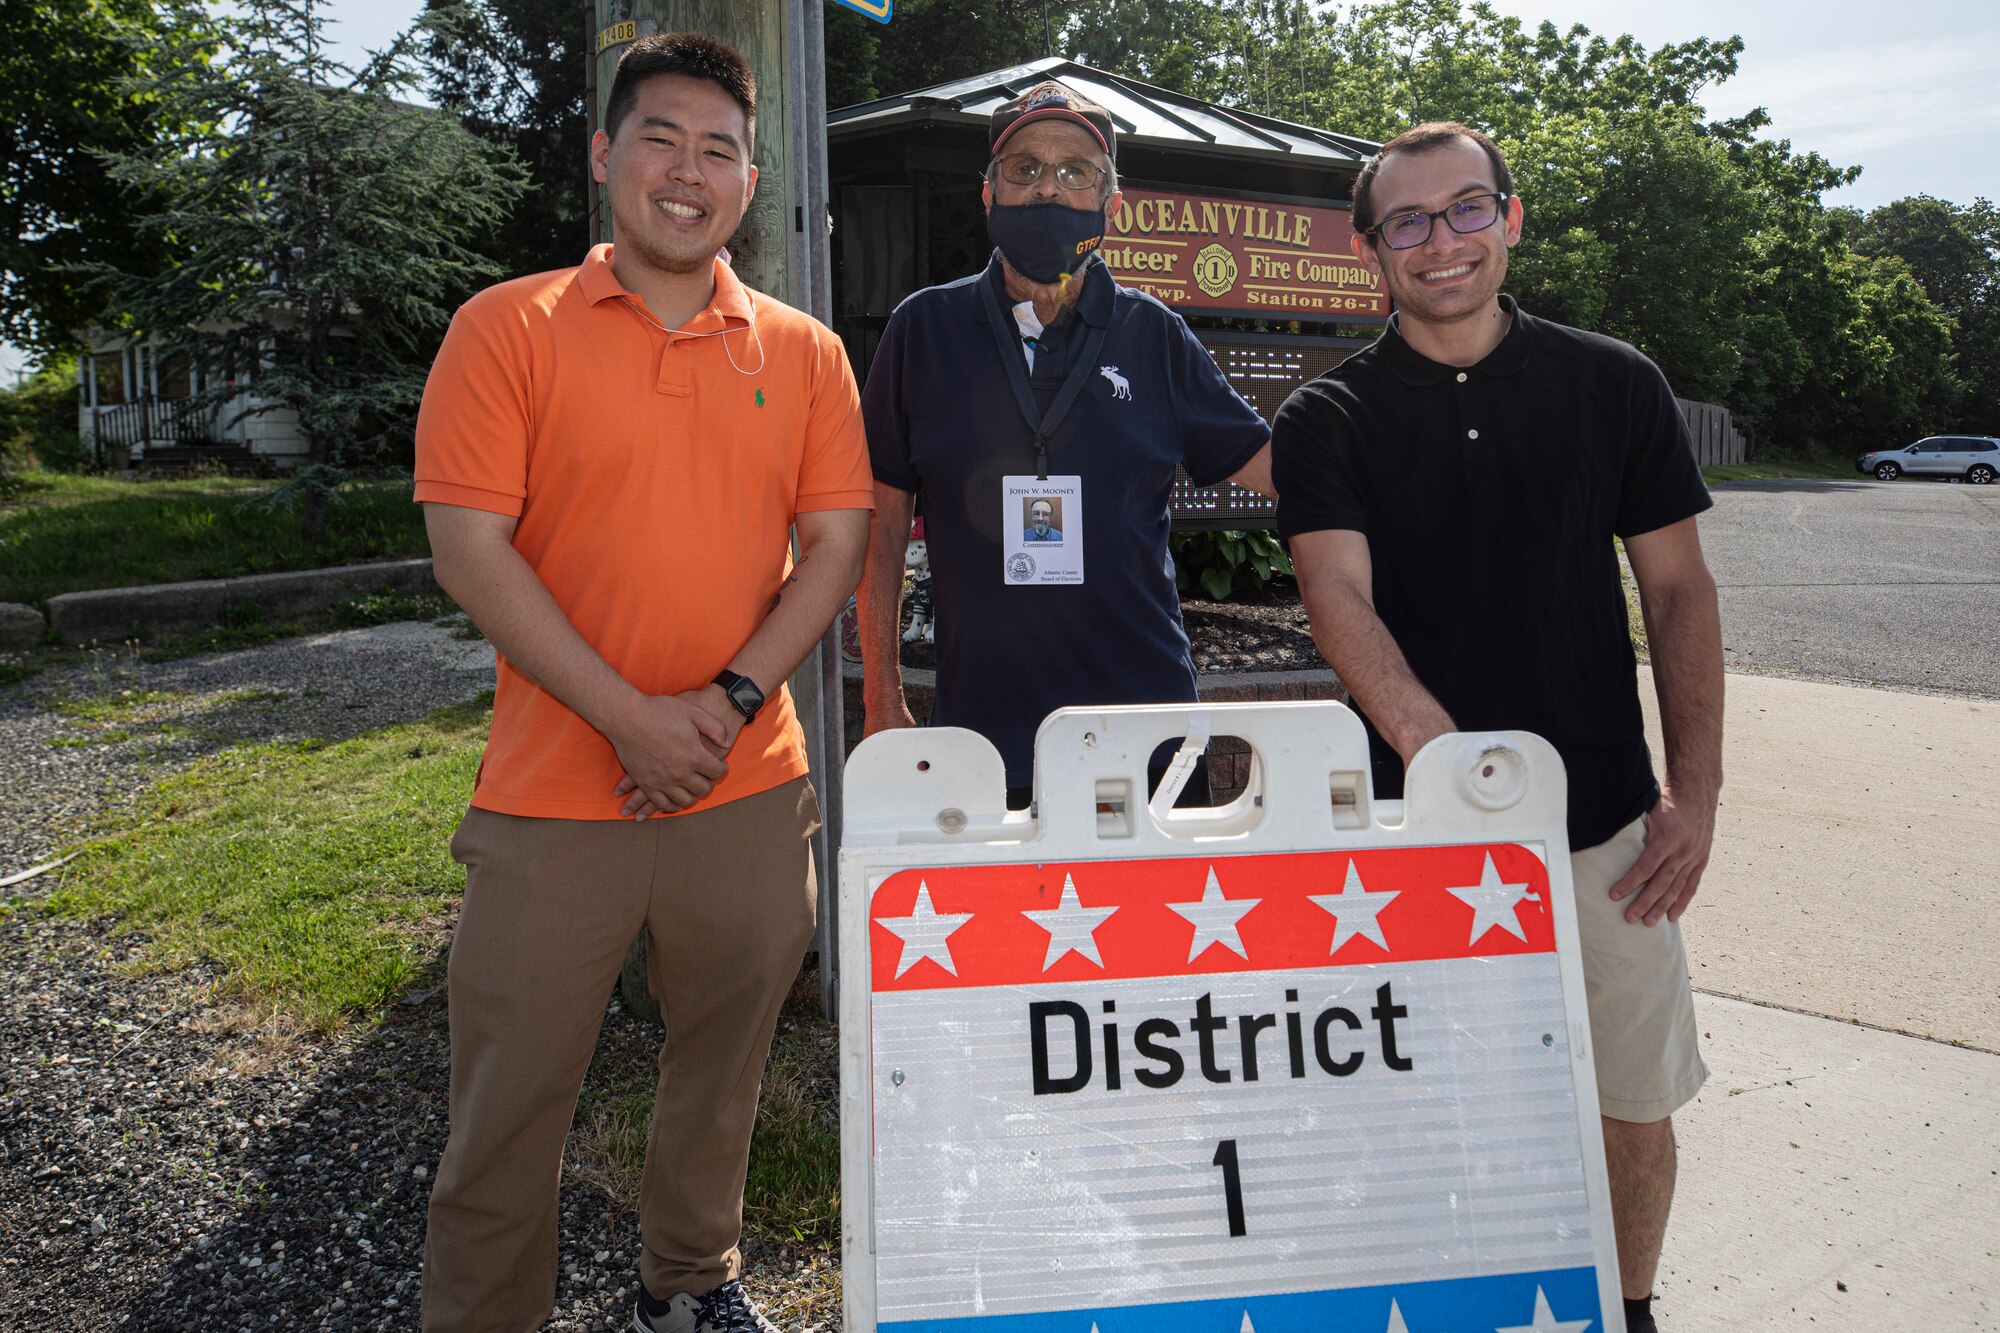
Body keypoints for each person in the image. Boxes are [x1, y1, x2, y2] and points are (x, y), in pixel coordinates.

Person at [412, 32, 872, 1333]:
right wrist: (632, 718)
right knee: (511, 1096)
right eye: (660, 138)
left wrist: (722, 705)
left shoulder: (804, 352)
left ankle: (691, 1280)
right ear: (606, 155)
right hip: (556, 796)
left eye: (718, 148)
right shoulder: (507, 328)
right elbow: (469, 549)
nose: (688, 170)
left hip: (749, 783)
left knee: (722, 1065)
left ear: (750, 176)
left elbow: (834, 546)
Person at [1272, 121, 1721, 1333]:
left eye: (1464, 209)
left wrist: (1696, 793)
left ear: (1510, 218)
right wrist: (1453, 765)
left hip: (1604, 834)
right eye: (1405, 222)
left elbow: (1676, 590)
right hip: (1408, 842)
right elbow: (1337, 599)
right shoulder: (1330, 417)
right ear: (1370, 249)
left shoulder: (1612, 383)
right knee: (1428, 1110)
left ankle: (1625, 1306)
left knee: (1631, 1107)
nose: (1440, 241)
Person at [858, 81, 1273, 809]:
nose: (1049, 186)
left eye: (1076, 170)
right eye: (1024, 169)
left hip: (1150, 738)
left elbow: (1281, 473)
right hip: (982, 739)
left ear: (1111, 203)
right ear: (987, 194)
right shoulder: (923, 329)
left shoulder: (1156, 336)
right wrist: (881, 696)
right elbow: (882, 523)